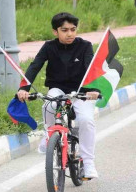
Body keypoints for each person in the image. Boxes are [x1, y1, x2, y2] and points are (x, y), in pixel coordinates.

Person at [17, 13, 101, 178]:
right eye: (64, 30)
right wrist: (24, 88)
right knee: (49, 105)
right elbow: (35, 66)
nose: (69, 33)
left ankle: (89, 163)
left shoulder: (85, 46)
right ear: (55, 31)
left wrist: (93, 90)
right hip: (58, 89)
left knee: (86, 121)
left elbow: (92, 68)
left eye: (73, 29)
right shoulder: (49, 47)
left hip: (81, 92)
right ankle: (49, 134)